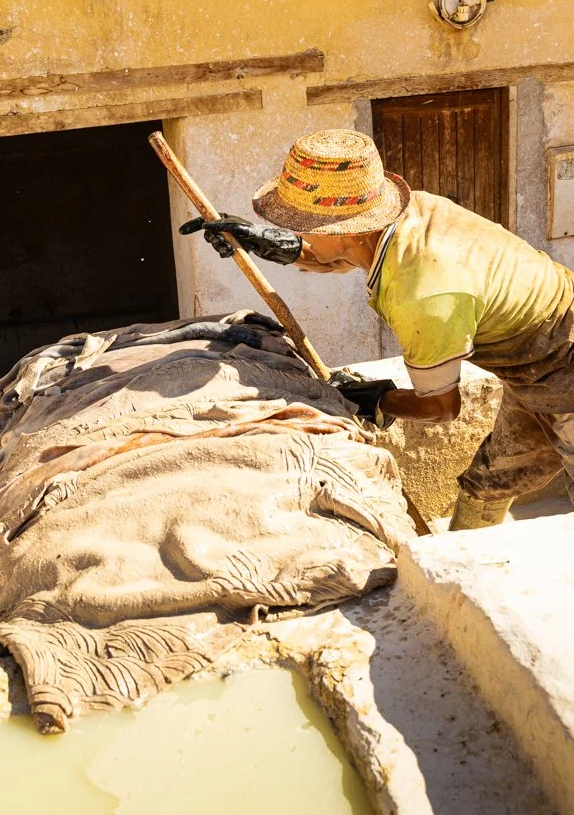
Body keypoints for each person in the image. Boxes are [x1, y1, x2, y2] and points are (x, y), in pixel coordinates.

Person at [181, 129, 574, 530]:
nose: (298, 232)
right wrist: (270, 243)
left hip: (566, 369)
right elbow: (344, 254)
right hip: (533, 371)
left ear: (348, 229)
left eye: (302, 225)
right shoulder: (412, 214)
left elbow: (441, 408)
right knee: (490, 480)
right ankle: (465, 569)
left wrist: (379, 400)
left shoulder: (422, 291)